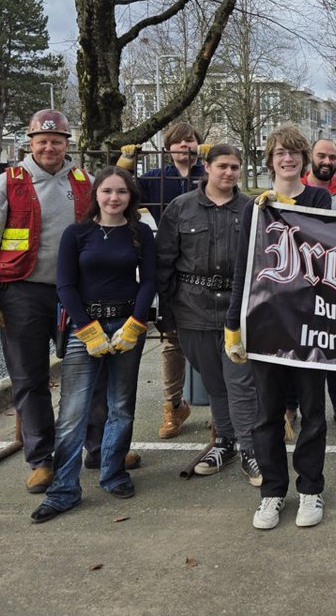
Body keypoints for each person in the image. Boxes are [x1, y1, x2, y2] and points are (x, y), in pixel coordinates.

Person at [0, 109, 92, 495]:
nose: (49, 147)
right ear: (30, 143)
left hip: (75, 292)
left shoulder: (83, 181)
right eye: (42, 140)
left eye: (57, 140)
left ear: (67, 144)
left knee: (88, 372)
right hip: (22, 291)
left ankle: (97, 445)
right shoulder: (8, 184)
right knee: (29, 378)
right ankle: (41, 459)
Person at [30, 167, 156, 523]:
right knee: (73, 413)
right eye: (107, 191)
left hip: (126, 325)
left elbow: (149, 282)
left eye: (121, 192)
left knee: (121, 405)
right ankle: (64, 490)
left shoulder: (140, 234)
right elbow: (65, 286)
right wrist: (87, 329)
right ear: (95, 195)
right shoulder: (77, 233)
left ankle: (113, 472)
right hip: (84, 329)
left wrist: (136, 323)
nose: (114, 198)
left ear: (130, 197)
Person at [224, 124, 332, 530]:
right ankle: (271, 492)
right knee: (266, 412)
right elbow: (243, 269)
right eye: (279, 153)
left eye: (294, 153)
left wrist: (287, 206)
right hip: (266, 322)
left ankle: (310, 488)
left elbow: (329, 250)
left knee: (312, 411)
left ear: (304, 159)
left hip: (309, 321)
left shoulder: (319, 198)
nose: (287, 159)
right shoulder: (254, 206)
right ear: (269, 160)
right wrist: (234, 323)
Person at [156, 144, 261, 485]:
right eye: (222, 167)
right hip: (193, 309)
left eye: (235, 167)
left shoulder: (251, 209)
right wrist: (168, 314)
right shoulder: (180, 209)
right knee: (214, 381)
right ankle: (225, 442)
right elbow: (165, 263)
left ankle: (250, 449)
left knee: (240, 381)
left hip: (237, 310)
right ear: (207, 167)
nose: (229, 173)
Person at [119, 122, 206, 441]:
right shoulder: (157, 178)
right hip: (169, 266)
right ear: (168, 148)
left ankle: (222, 412)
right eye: (178, 141)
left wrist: (211, 163)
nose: (185, 145)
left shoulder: (208, 174)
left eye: (191, 140)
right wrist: (125, 165)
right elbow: (121, 192)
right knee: (172, 341)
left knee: (213, 339)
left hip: (208, 265)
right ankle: (173, 406)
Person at [302, 138, 336, 419]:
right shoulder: (296, 187)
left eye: (332, 157)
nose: (327, 162)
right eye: (321, 156)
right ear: (311, 156)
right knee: (296, 340)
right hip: (301, 278)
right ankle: (290, 406)